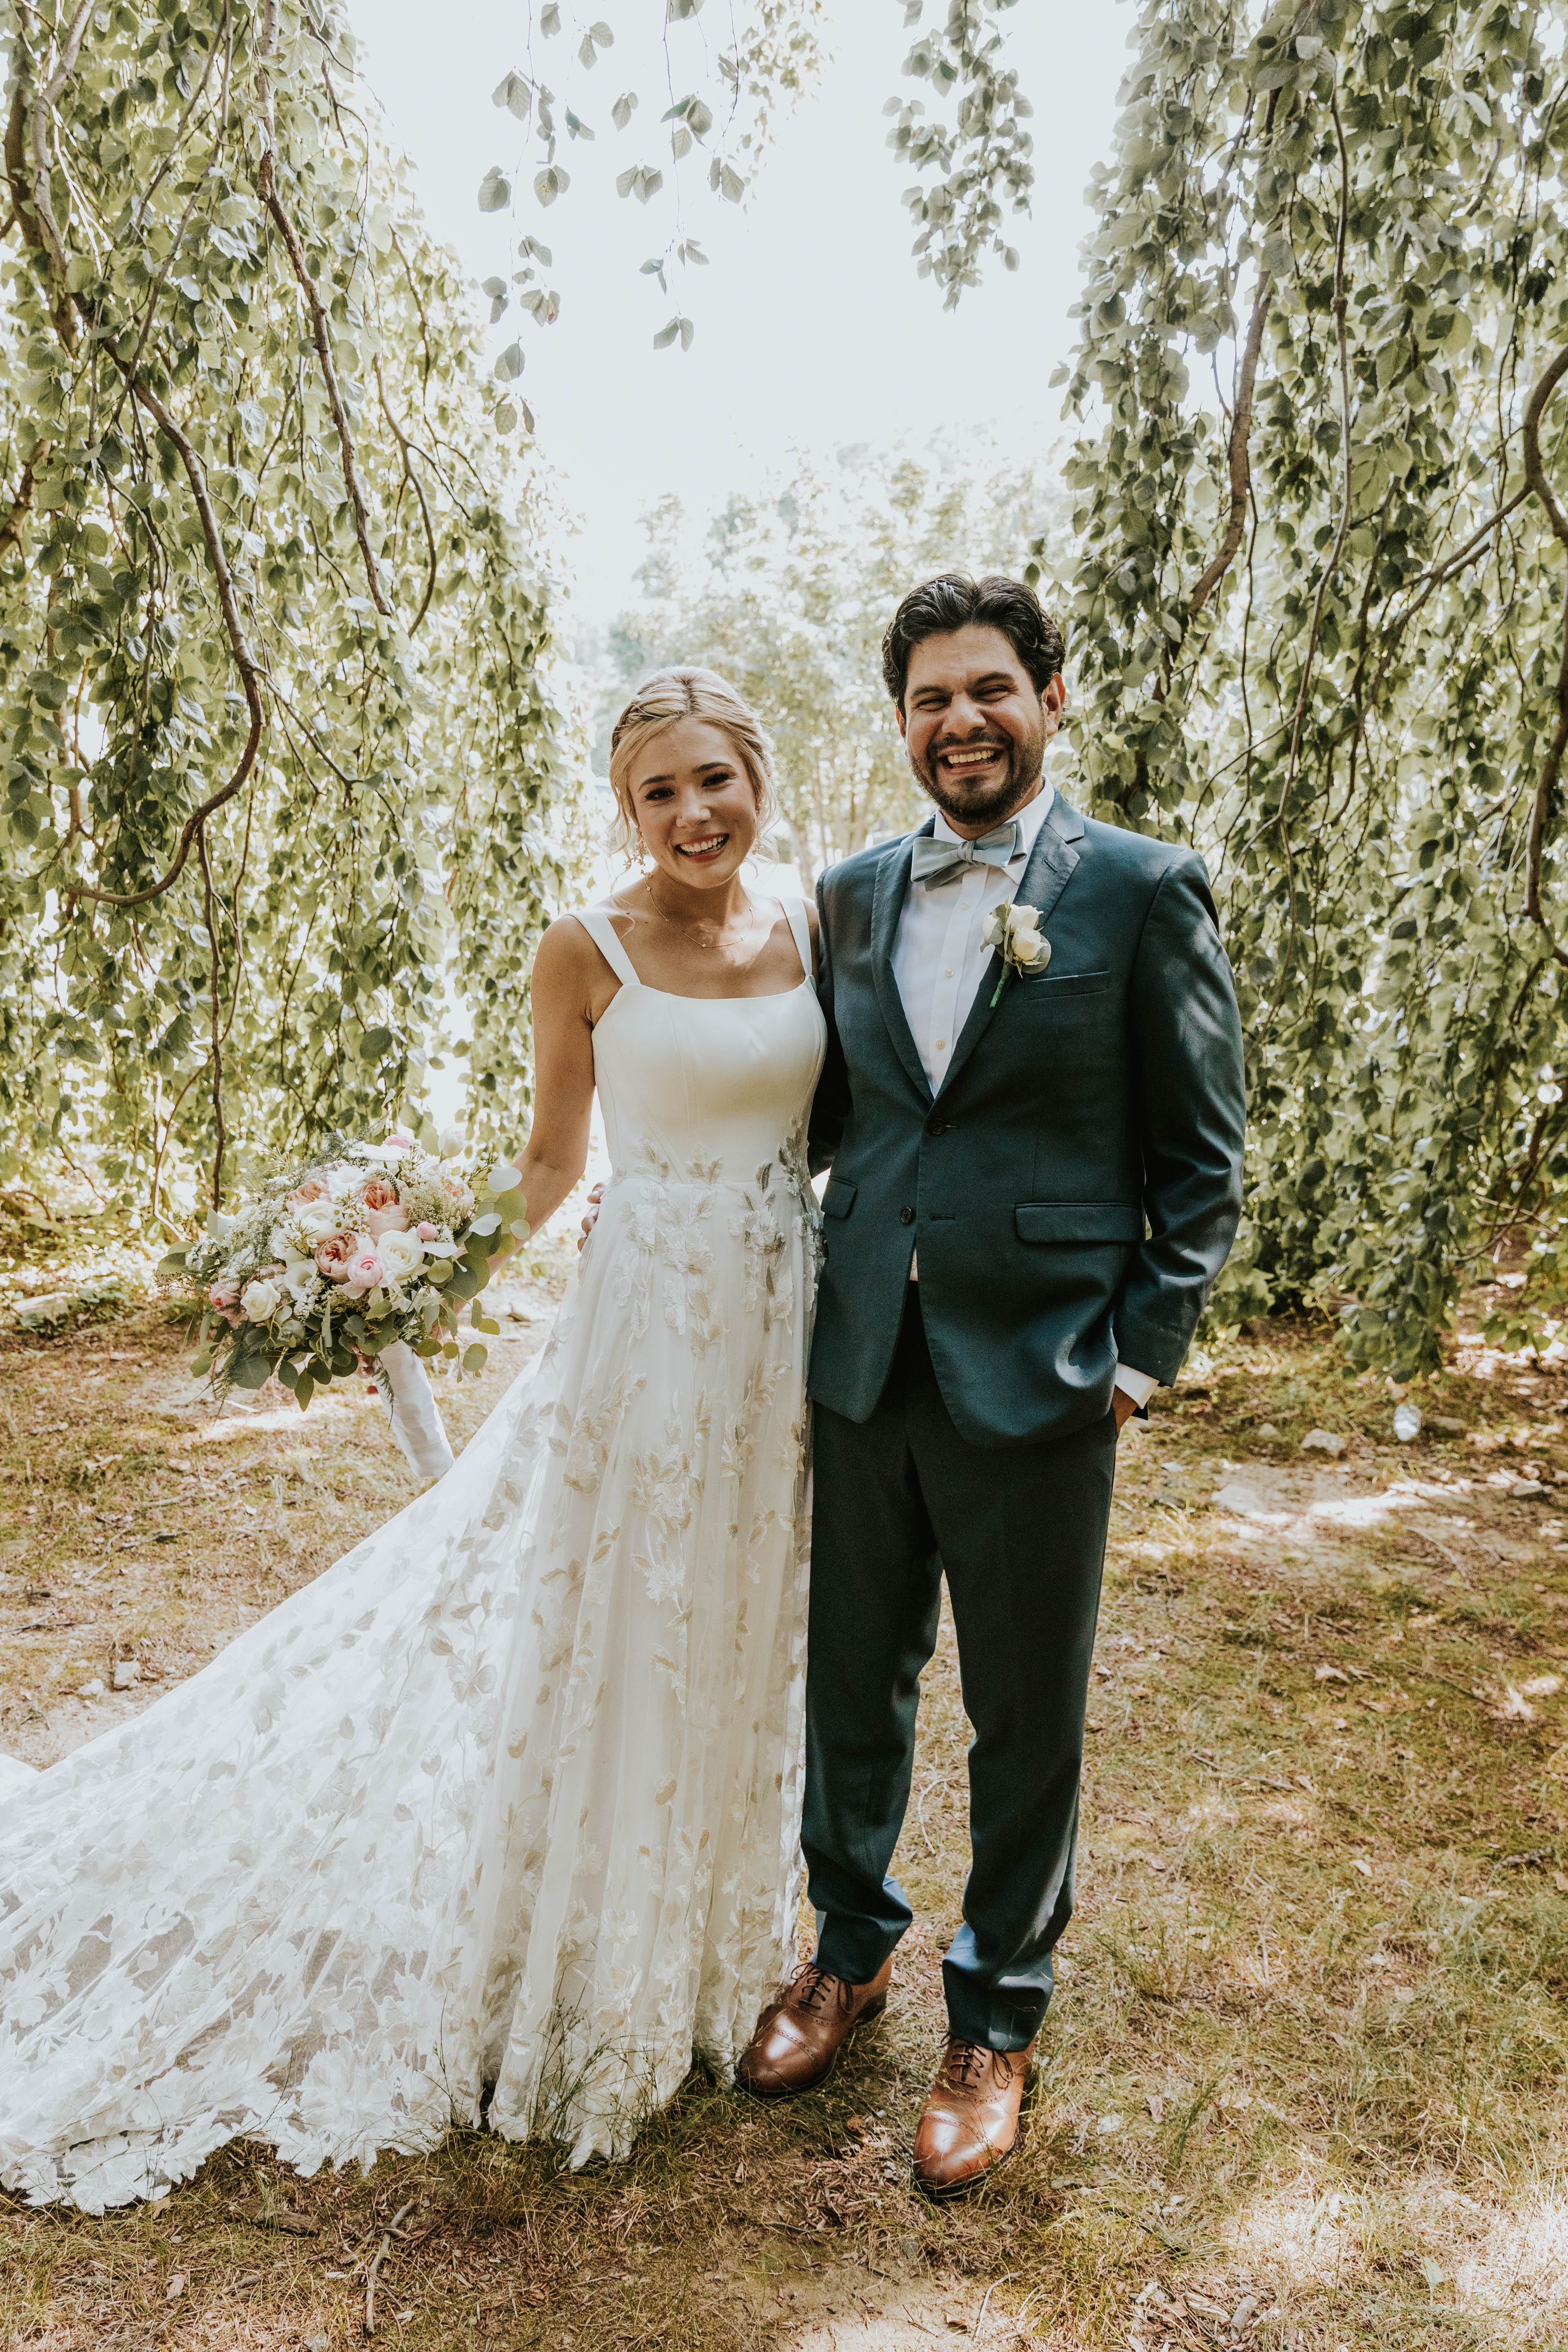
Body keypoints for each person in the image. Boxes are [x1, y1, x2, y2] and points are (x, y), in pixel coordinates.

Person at [0, 668, 825, 2211]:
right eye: (658, 791)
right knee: (617, 1626)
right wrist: (389, 1269)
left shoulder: (811, 926)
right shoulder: (584, 951)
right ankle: (570, 1967)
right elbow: (549, 1162)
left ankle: (716, 1963)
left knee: (735, 1620)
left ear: (755, 776)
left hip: (781, 1325)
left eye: (713, 778)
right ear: (624, 809)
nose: (692, 811)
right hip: (640, 1333)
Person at [735, 574, 1246, 2199]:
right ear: (897, 720)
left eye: (987, 688)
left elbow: (1202, 1163)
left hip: (1041, 1370)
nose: (958, 718)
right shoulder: (851, 891)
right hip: (862, 1355)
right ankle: (848, 1947)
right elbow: (832, 1120)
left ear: (1046, 699)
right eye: (927, 696)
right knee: (850, 1681)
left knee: (1021, 1714)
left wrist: (1137, 1363)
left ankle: (994, 2016)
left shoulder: (1144, 893)